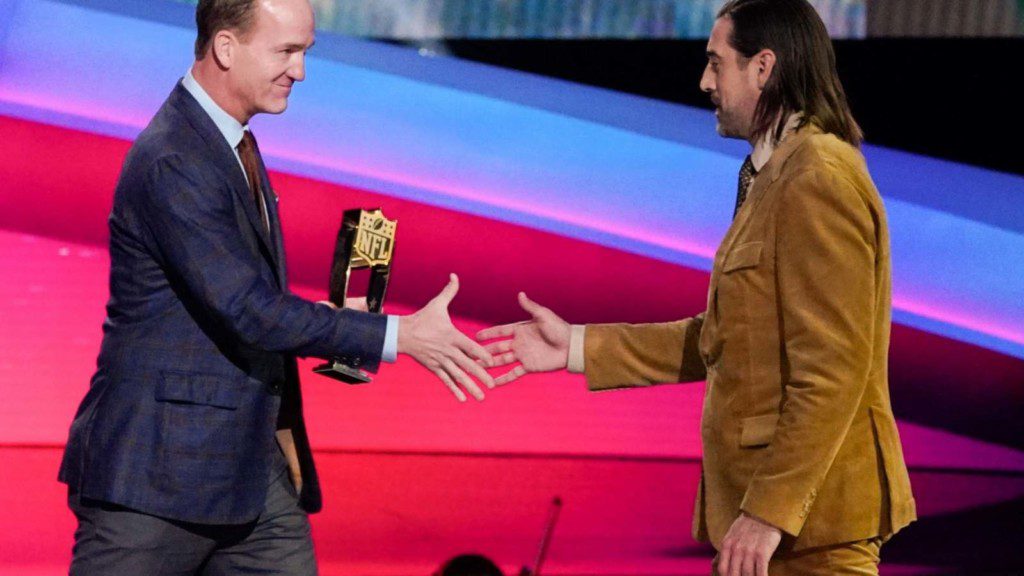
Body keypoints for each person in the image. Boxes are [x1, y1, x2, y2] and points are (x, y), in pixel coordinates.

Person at [477, 1, 915, 574]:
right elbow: (726, 338)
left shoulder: (816, 177)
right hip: (771, 533)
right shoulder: (775, 173)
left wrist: (769, 513)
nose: (704, 80)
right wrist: (577, 347)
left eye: (716, 63)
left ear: (764, 68)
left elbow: (833, 370)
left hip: (809, 533)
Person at [58, 0, 494, 573]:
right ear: (225, 48)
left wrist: (330, 317)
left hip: (245, 465)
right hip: (159, 472)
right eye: (286, 51)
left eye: (304, 51)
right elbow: (247, 309)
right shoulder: (175, 158)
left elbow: (226, 300)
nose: (301, 70)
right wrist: (394, 334)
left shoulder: (230, 140)